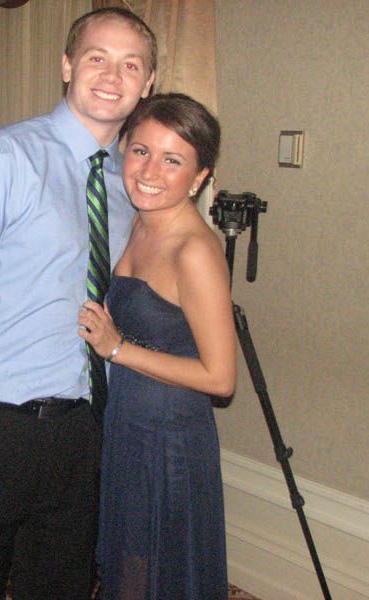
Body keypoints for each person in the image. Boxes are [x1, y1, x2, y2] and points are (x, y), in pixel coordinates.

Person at [0, 8, 156, 599]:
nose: (111, 75)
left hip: (78, 434)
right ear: (67, 65)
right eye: (97, 57)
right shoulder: (4, 158)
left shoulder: (134, 185)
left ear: (148, 85)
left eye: (131, 65)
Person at [78, 93, 236, 600]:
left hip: (169, 442)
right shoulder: (140, 221)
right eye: (141, 150)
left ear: (199, 177)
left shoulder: (195, 251)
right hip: (130, 423)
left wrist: (117, 349)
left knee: (155, 575)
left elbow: (221, 378)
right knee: (130, 567)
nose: (150, 170)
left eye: (173, 160)